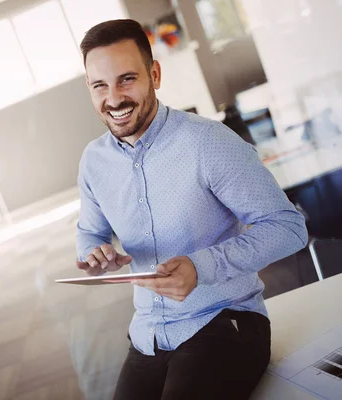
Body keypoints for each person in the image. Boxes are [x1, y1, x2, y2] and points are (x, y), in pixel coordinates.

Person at [75, 19, 308, 400]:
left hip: (225, 322)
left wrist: (202, 267)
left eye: (127, 79)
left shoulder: (208, 142)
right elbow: (90, 231)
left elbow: (288, 227)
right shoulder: (93, 161)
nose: (113, 98)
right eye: (100, 84)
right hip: (148, 334)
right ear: (89, 87)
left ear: (155, 74)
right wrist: (92, 251)